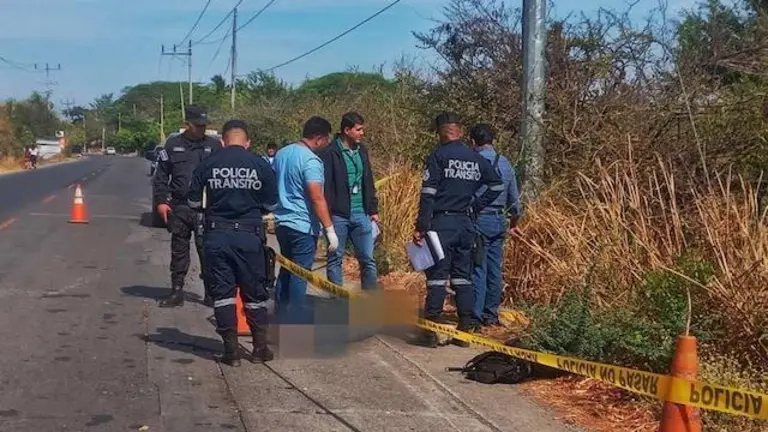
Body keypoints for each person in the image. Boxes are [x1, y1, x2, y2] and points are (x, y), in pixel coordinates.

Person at [187, 120, 278, 366]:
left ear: (223, 142)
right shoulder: (260, 164)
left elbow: (194, 202)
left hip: (217, 236)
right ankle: (259, 349)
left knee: (223, 294)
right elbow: (272, 205)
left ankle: (230, 351)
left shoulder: (209, 163)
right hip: (249, 237)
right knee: (255, 293)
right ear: (247, 143)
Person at [413, 112, 504, 348]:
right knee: (462, 277)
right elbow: (497, 185)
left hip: (441, 224)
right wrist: (476, 205)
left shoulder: (439, 155)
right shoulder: (474, 157)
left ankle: (430, 331)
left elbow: (428, 193)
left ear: (440, 132)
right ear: (460, 131)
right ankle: (465, 330)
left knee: (437, 278)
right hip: (466, 225)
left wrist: (421, 226)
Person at [152, 105, 222, 308]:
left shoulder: (214, 146)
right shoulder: (173, 145)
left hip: (206, 207)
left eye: (204, 125)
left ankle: (210, 293)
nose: (201, 129)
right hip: (180, 207)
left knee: (207, 251)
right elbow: (161, 177)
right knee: (179, 250)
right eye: (197, 125)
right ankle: (177, 291)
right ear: (187, 124)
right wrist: (161, 202)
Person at [273, 116, 339, 324]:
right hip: (302, 225)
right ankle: (295, 322)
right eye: (326, 139)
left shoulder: (282, 154)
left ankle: (280, 316)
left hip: (282, 222)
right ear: (318, 138)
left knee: (286, 269)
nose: (327, 143)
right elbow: (316, 197)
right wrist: (329, 229)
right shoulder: (310, 161)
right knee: (300, 274)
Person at [317, 112, 380, 291]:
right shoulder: (329, 153)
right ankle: (337, 302)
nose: (362, 133)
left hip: (362, 213)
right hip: (338, 215)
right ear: (347, 130)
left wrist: (373, 209)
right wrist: (327, 213)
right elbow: (325, 185)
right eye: (358, 129)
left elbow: (368, 180)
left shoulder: (363, 151)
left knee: (368, 259)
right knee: (335, 259)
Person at [469, 124, 522, 328]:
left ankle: (475, 315)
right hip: (500, 221)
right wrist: (514, 223)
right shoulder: (506, 164)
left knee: (478, 268)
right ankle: (491, 314)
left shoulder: (474, 163)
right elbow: (514, 201)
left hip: (479, 219)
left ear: (473, 142)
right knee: (494, 269)